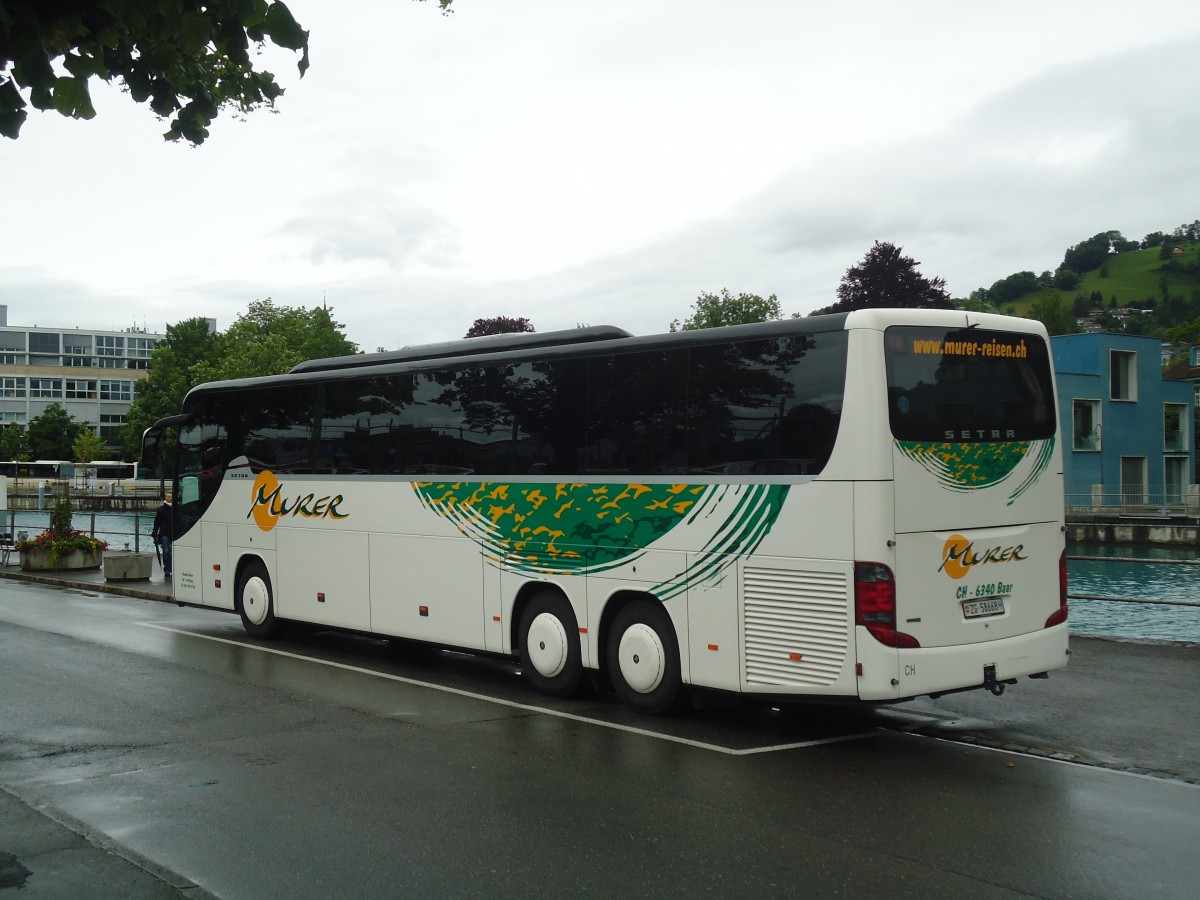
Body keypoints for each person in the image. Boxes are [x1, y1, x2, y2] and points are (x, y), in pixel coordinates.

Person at [151, 491, 174, 578]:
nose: (168, 498)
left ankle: (171, 566)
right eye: (167, 496)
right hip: (164, 532)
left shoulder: (177, 508)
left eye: (170, 496)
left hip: (174, 532)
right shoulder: (161, 509)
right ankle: (167, 568)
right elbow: (157, 522)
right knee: (166, 550)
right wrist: (154, 533)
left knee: (174, 551)